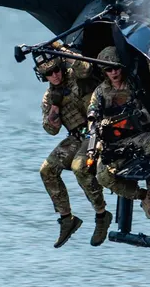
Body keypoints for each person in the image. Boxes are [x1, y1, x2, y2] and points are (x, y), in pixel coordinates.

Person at [38, 46, 112, 248]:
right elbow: (50, 129)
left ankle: (101, 215)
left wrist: (61, 50)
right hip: (75, 137)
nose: (54, 75)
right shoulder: (49, 96)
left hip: (95, 131)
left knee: (81, 168)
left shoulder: (75, 76)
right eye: (48, 73)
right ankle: (66, 219)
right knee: (47, 170)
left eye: (56, 70)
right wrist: (55, 108)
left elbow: (85, 67)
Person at [87, 46, 150, 220]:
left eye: (116, 67)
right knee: (103, 176)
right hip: (115, 143)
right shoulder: (100, 93)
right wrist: (96, 129)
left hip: (138, 136)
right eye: (109, 69)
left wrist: (138, 117)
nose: (114, 72)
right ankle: (144, 196)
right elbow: (92, 115)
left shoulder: (135, 85)